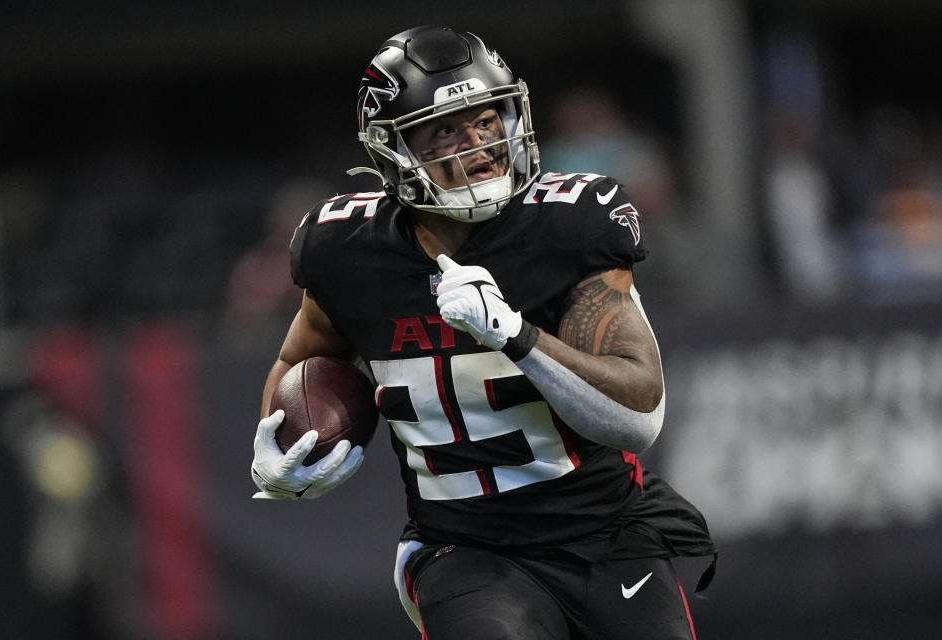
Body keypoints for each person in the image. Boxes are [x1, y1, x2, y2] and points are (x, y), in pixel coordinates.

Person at [250, 25, 716, 640]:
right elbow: (297, 363)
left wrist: (516, 334)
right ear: (394, 148)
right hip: (463, 548)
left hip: (607, 531)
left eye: (488, 119)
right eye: (446, 129)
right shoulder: (346, 249)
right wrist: (275, 455)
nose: (479, 143)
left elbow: (639, 417)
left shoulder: (569, 226)